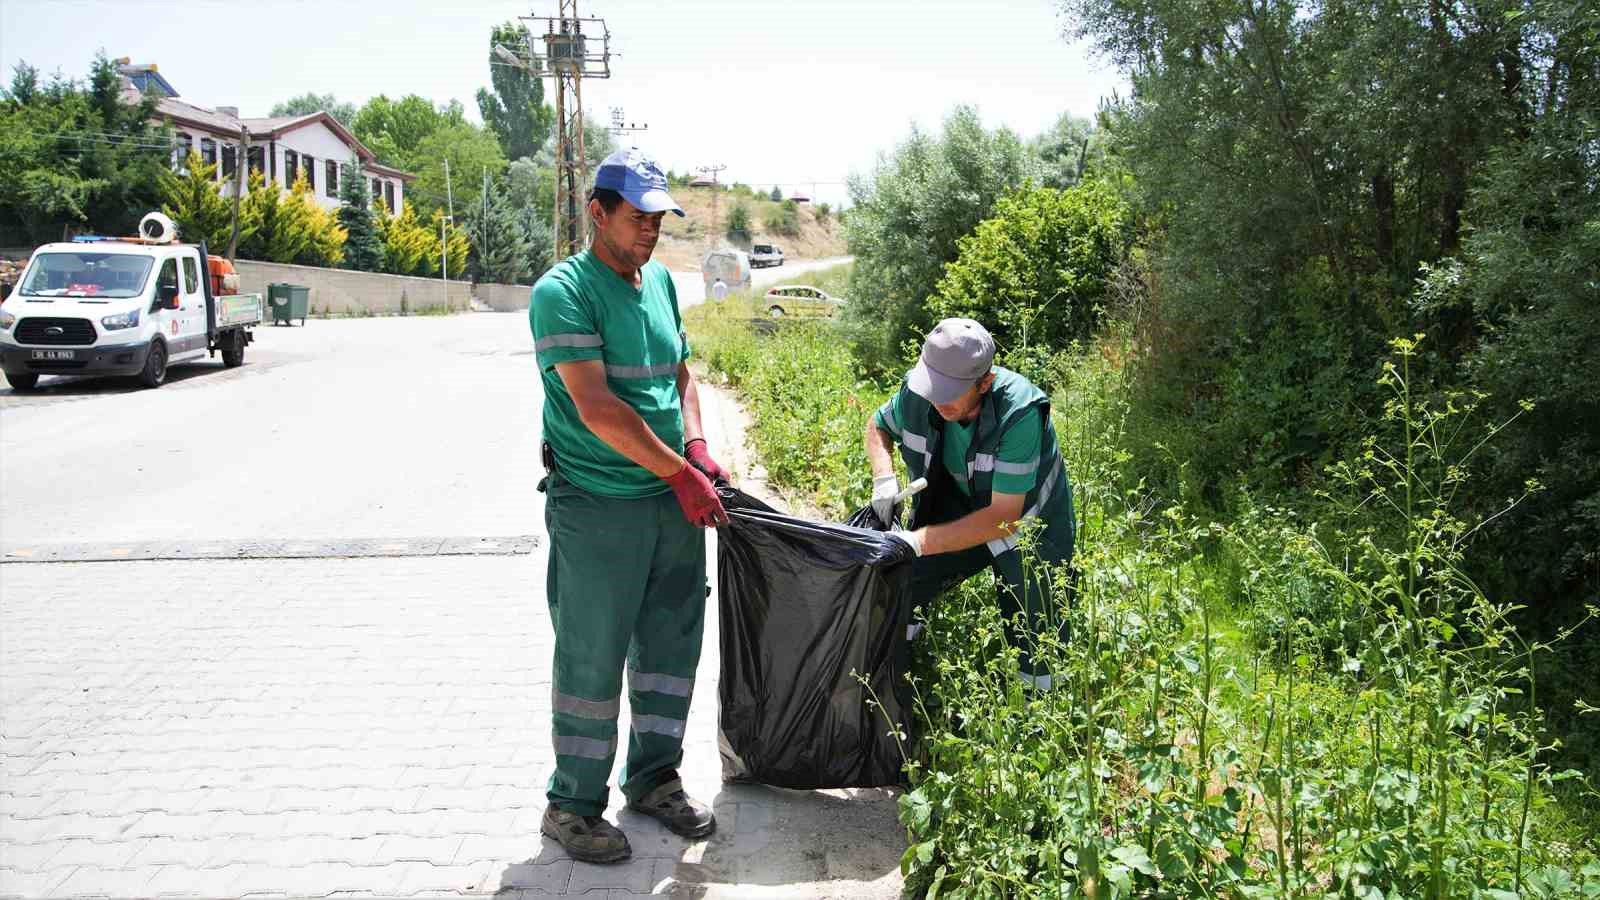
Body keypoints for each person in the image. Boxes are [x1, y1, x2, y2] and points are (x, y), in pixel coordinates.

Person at [529, 147, 732, 864]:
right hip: (598, 507)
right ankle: (572, 806)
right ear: (598, 212)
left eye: (658, 216)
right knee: (591, 657)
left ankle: (652, 780)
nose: (651, 227)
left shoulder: (660, 285)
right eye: (638, 215)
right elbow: (597, 408)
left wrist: (698, 446)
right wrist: (683, 475)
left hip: (669, 505)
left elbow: (679, 373)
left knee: (671, 646)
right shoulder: (564, 292)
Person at [864, 318, 1075, 689]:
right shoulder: (920, 392)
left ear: (985, 382)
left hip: (1029, 525)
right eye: (934, 387)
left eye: (950, 391)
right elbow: (877, 425)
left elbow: (1002, 519)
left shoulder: (1019, 413)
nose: (938, 400)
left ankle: (1038, 713)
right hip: (959, 504)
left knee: (1037, 629)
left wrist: (918, 541)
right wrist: (883, 477)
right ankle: (896, 683)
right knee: (900, 579)